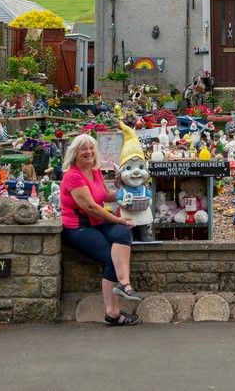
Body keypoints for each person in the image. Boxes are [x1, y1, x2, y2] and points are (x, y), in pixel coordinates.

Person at [60, 133, 141, 326]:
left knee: (122, 233)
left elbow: (104, 195)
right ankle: (112, 313)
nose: (89, 152)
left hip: (97, 222)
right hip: (79, 226)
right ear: (75, 153)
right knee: (109, 258)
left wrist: (128, 193)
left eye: (91, 149)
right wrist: (117, 219)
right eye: (84, 149)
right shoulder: (73, 176)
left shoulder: (94, 170)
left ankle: (124, 283)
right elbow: (91, 207)